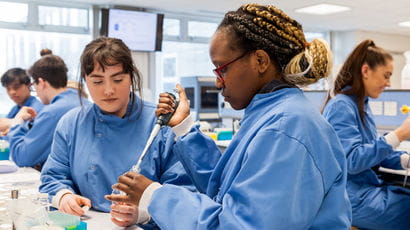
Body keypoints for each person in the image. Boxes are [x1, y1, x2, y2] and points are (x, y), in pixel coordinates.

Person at [106, 3, 351, 229]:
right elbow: (226, 187)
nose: (217, 81)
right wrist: (182, 127)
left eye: (222, 68)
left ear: (260, 60)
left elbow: (242, 225)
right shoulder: (269, 114)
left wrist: (154, 196)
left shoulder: (288, 129)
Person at [39, 37, 195, 227]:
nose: (108, 90)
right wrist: (64, 197)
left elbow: (184, 194)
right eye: (97, 81)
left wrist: (144, 213)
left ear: (131, 77)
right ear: (85, 82)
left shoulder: (161, 125)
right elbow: (53, 177)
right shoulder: (71, 123)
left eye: (118, 79)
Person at [322, 39, 410, 230]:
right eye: (386, 76)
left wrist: (404, 160)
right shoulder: (341, 106)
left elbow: (372, 153)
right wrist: (399, 134)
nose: (388, 83)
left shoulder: (361, 104)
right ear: (365, 71)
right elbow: (353, 161)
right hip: (350, 198)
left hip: (365, 190)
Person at [6, 54, 84, 168]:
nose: (36, 92)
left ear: (41, 83)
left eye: (34, 86)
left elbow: (22, 158)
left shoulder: (52, 112)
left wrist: (16, 123)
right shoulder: (83, 102)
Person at [0, 68, 43, 136]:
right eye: (8, 89)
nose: (12, 92)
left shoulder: (37, 109)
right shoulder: (15, 109)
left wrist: (10, 128)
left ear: (29, 85)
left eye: (16, 87)